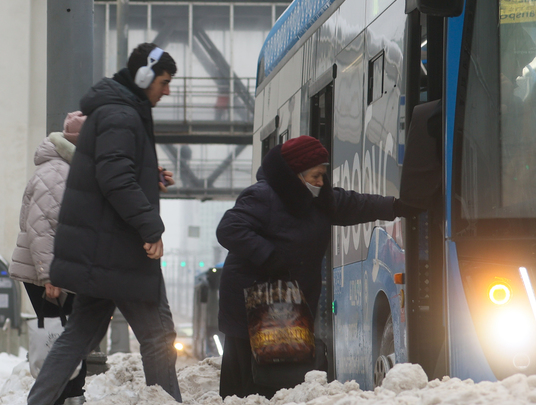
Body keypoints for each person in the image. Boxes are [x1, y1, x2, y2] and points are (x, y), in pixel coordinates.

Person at [27, 42, 181, 404]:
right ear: (145, 77)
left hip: (102, 251)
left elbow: (111, 169)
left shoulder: (117, 111)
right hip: (119, 251)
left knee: (77, 336)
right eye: (164, 81)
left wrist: (150, 176)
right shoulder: (122, 115)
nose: (168, 90)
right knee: (158, 337)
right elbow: (115, 178)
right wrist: (150, 227)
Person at [215, 135, 418, 399]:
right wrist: (269, 257)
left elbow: (355, 204)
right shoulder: (263, 195)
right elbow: (229, 228)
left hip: (288, 303)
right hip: (251, 304)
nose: (321, 182)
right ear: (295, 174)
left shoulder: (319, 199)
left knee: (281, 374)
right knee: (244, 376)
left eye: (323, 175)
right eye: (315, 176)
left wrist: (396, 207)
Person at [9, 112, 88, 405]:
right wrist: (50, 276)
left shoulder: (67, 169)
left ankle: (66, 397)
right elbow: (40, 226)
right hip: (49, 274)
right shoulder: (57, 172)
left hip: (55, 271)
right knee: (62, 341)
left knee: (65, 339)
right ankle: (60, 398)